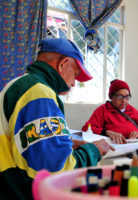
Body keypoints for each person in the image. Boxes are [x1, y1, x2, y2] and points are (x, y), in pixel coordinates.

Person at [0, 38, 114, 200]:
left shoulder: (17, 84)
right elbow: (57, 173)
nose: (74, 84)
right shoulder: (39, 94)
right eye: (75, 74)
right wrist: (93, 151)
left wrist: (65, 143)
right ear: (63, 64)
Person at [82, 79, 138, 144]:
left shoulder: (133, 111)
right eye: (120, 96)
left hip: (132, 147)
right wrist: (107, 132)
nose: (124, 100)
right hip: (111, 149)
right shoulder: (103, 110)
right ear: (111, 97)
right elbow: (86, 129)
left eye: (127, 97)